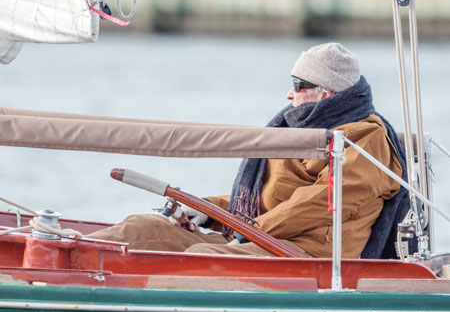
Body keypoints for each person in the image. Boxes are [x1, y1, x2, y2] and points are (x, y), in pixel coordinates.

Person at [91, 43, 407, 259]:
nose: (288, 94)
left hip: (306, 253)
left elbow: (321, 204)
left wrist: (247, 230)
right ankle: (61, 252)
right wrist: (205, 210)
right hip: (261, 237)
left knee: (202, 258)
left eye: (298, 85)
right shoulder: (294, 128)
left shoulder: (366, 136)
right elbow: (262, 200)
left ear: (326, 91)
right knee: (142, 226)